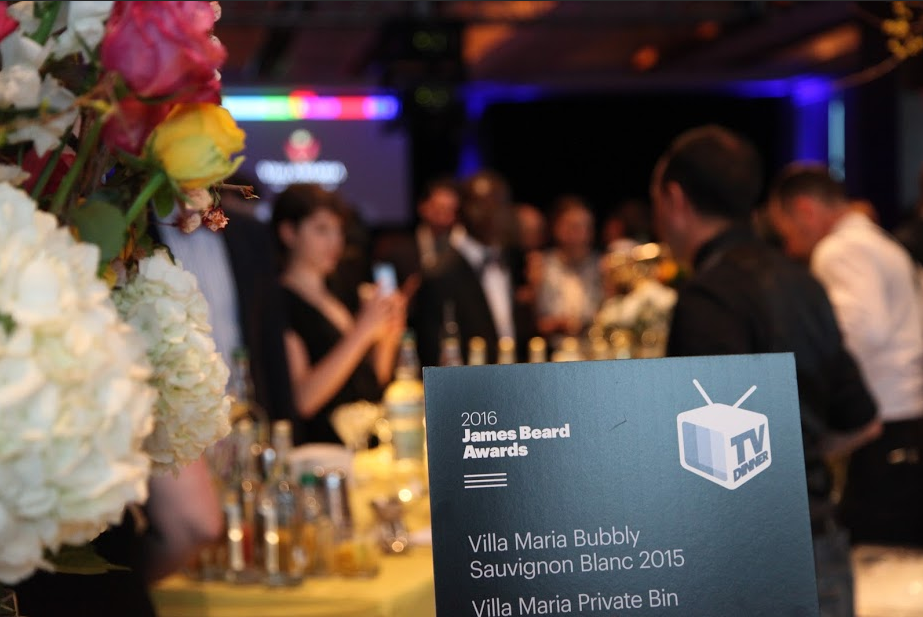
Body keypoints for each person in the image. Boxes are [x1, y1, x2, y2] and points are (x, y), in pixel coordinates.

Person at [651, 125, 881, 616]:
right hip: (823, 551)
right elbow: (864, 420)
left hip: (751, 567)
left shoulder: (710, 296)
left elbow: (707, 474)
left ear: (674, 199)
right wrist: (800, 457)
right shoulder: (803, 281)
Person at [767, 164, 923, 546]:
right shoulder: (877, 241)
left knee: (878, 562)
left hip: (884, 426)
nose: (788, 246)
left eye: (784, 230)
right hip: (907, 419)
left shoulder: (840, 249)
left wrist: (817, 396)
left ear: (804, 210)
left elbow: (862, 332)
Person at [271, 183, 406, 445]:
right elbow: (303, 400)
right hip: (322, 454)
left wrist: (389, 333)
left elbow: (372, 382)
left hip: (366, 444)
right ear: (289, 233)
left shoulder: (339, 292)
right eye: (322, 229)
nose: (335, 242)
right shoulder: (279, 303)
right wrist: (363, 331)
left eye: (338, 230)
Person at [412, 169, 534, 366]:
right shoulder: (440, 275)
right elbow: (432, 355)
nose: (492, 213)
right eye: (482, 204)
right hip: (469, 390)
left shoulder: (514, 260)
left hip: (516, 382)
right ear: (461, 211)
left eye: (499, 204)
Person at [535, 195, 602, 346]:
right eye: (572, 226)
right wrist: (558, 324)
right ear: (556, 228)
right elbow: (532, 321)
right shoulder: (540, 266)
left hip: (594, 350)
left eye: (585, 227)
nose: (579, 234)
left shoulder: (603, 266)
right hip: (551, 352)